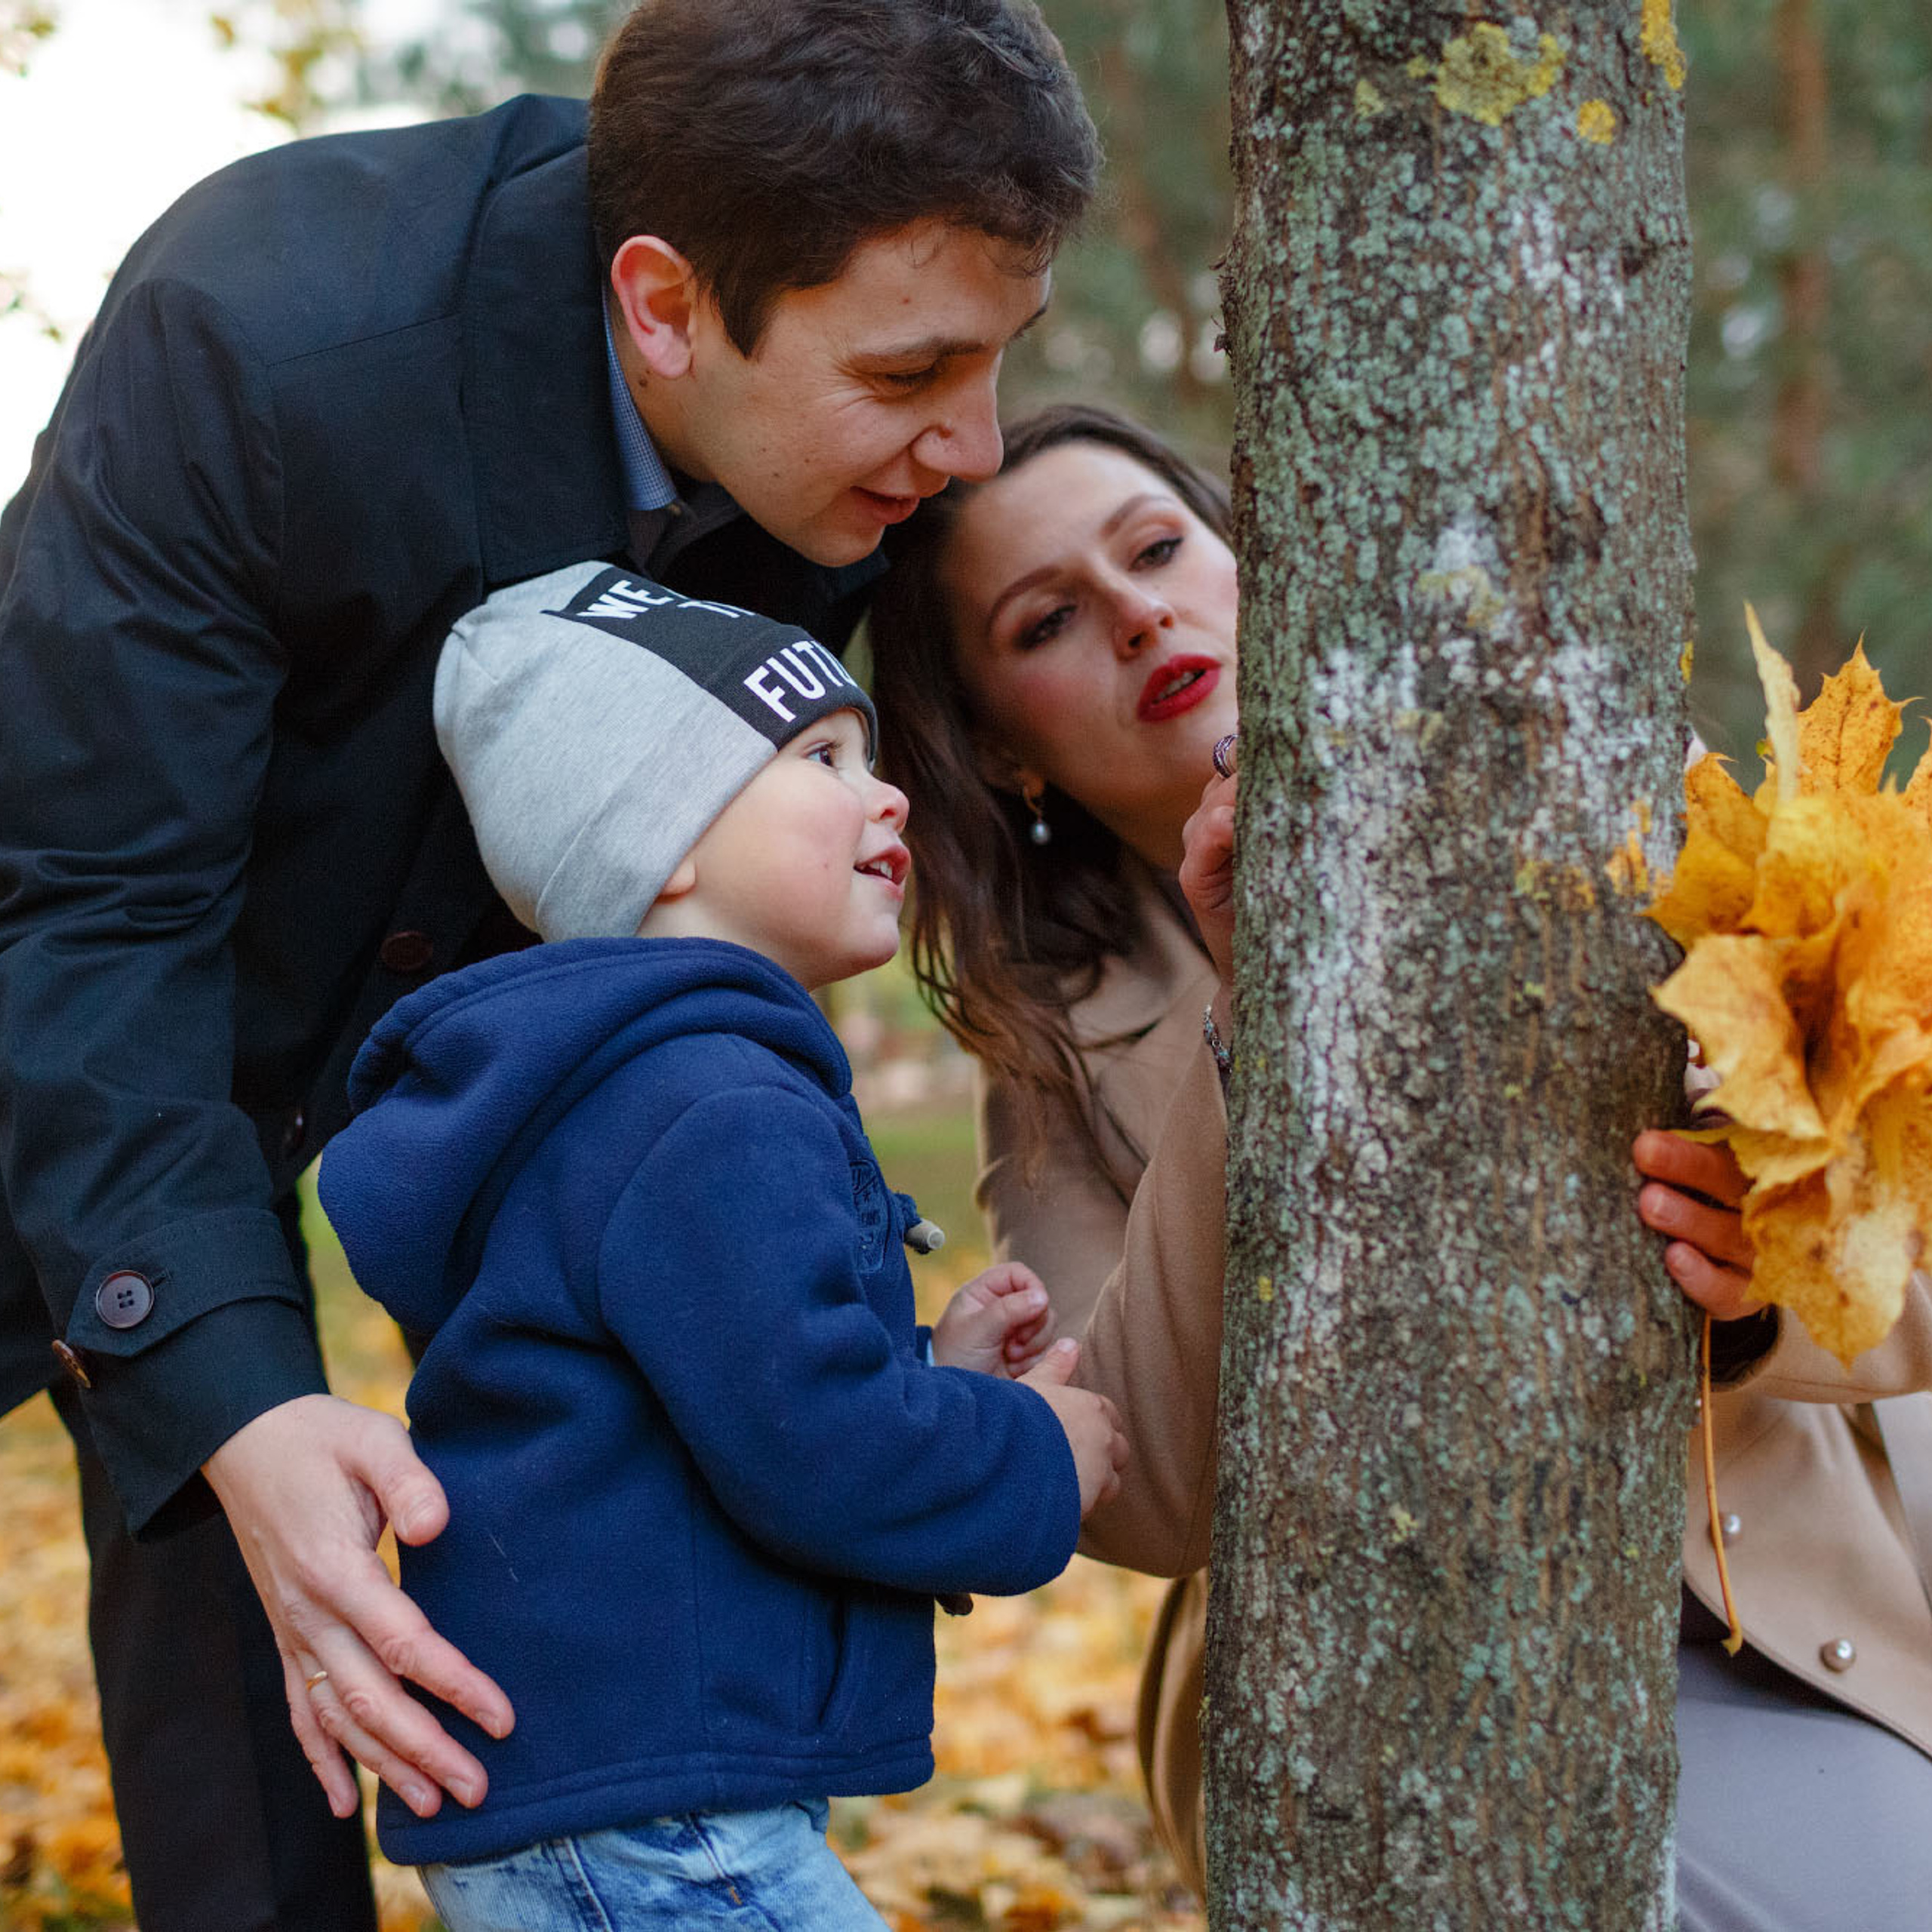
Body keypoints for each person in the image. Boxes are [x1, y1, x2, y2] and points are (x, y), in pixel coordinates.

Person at [0, 5, 1097, 1925]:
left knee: (316, 1632)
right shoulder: (261, 336)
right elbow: (90, 904)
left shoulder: (843, 464)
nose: (974, 442)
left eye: (996, 360)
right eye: (911, 372)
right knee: (220, 1416)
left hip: (418, 1085)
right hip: (75, 1011)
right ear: (663, 305)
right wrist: (229, 1384)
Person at [867, 401, 1932, 1927]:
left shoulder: (1614, 801)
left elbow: (1906, 1226)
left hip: (1776, 1571)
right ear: (1000, 748)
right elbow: (1146, 1495)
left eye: (1157, 550)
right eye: (1048, 621)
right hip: (1389, 1664)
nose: (1137, 615)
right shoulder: (1053, 1049)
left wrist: (1764, 1289)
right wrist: (1255, 1000)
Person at [315, 564, 1128, 1929]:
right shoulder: (710, 1102)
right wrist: (1033, 1452)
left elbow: (711, 1406)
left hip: (600, 1788)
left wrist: (934, 1374)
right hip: (656, 1820)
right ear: (666, 840)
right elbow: (816, 1446)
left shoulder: (630, 1088)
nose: (890, 796)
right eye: (822, 759)